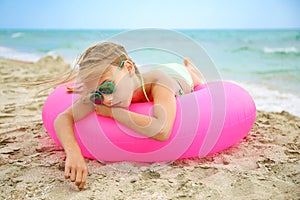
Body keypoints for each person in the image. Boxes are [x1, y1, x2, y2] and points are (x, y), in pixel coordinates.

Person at [53, 42, 203, 190]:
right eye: (97, 94)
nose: (107, 100)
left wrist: (113, 113)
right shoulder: (104, 94)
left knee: (194, 78)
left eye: (108, 87)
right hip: (139, 76)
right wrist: (73, 154)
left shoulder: (159, 82)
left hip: (176, 75)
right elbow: (62, 118)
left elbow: (162, 130)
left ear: (129, 68)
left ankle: (188, 66)